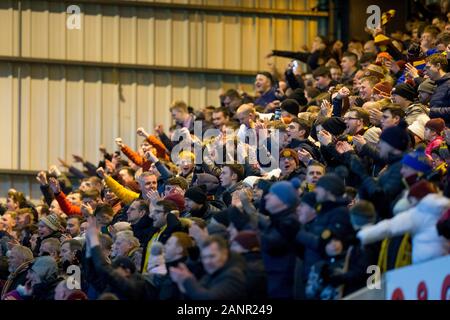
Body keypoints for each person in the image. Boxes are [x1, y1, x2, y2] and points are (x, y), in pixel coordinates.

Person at [169, 235, 247, 300]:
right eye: (204, 257)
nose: (207, 262)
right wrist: (182, 284)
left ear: (225, 254)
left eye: (212, 256)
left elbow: (209, 298)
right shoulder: (210, 274)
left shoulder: (234, 274)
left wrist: (187, 279)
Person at [260, 180, 300, 299]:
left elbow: (270, 243)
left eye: (271, 195)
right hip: (276, 278)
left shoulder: (290, 222)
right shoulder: (280, 218)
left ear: (283, 200)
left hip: (283, 284)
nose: (266, 197)